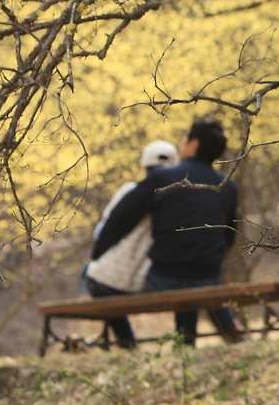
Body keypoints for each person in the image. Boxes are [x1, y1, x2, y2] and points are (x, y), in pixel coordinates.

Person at [93, 119, 243, 346]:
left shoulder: (162, 178)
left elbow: (121, 218)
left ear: (193, 144)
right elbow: (229, 234)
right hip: (208, 274)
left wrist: (98, 251)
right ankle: (216, 338)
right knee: (199, 279)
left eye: (184, 139)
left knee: (106, 282)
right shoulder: (228, 185)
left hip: (164, 278)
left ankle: (129, 344)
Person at [82, 140, 180, 347]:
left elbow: (101, 230)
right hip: (145, 282)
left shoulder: (130, 191)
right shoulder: (176, 204)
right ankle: (121, 343)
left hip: (106, 281)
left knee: (90, 274)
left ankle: (126, 344)